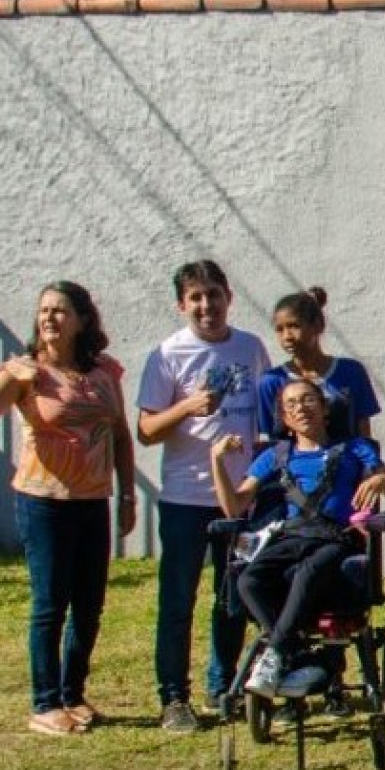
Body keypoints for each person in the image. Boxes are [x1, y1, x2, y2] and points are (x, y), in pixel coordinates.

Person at [0, 282, 135, 736]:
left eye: (60, 311)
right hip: (44, 503)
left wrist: (129, 494)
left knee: (90, 606)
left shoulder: (104, 373)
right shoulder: (25, 373)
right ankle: (44, 702)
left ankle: (73, 695)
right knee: (50, 604)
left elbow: (119, 434)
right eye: (44, 311)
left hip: (92, 502)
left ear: (81, 319)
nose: (50, 318)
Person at [137, 260, 272, 733]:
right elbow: (146, 430)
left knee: (232, 597)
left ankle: (223, 685)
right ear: (181, 304)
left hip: (237, 498)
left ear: (228, 297)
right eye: (195, 297)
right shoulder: (167, 354)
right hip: (184, 499)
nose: (205, 305)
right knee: (178, 599)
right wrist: (188, 407)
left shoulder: (251, 348)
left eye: (213, 295)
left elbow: (267, 418)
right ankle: (174, 697)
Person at [210, 379, 385, 696]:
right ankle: (297, 655)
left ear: (326, 409)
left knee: (308, 572)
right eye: (292, 404)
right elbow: (234, 506)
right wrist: (216, 461)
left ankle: (274, 654)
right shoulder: (275, 455)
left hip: (335, 539)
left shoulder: (357, 449)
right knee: (248, 581)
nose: (301, 408)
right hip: (290, 537)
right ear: (284, 418)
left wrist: (381, 480)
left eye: (309, 400)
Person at [256, 287, 380, 444]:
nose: (287, 336)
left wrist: (369, 466)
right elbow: (272, 440)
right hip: (295, 467)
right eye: (280, 330)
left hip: (346, 465)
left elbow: (364, 433)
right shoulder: (271, 381)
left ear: (318, 325)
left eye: (294, 326)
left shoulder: (351, 372)